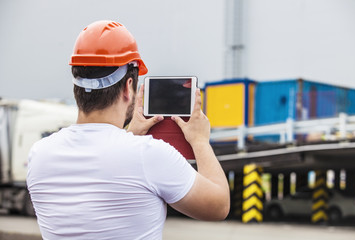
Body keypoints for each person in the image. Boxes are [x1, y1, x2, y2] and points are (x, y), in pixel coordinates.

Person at [27, 20, 230, 239]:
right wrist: (199, 140)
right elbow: (218, 206)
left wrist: (130, 135)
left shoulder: (39, 155)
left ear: (77, 86)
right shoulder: (149, 155)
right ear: (127, 87)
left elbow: (102, 172)